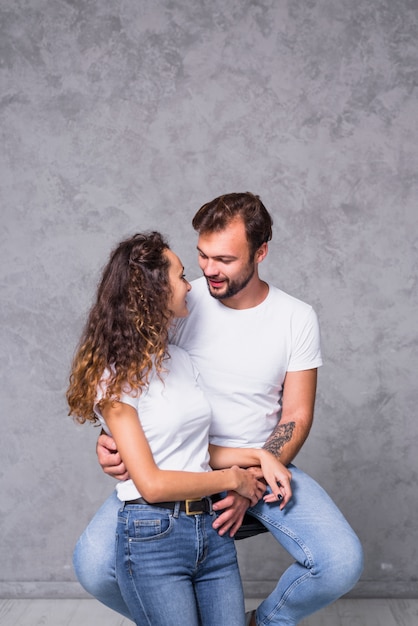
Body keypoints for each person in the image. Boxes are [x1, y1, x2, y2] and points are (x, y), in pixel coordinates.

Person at [74, 194, 364, 626]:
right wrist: (109, 439)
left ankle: (261, 623)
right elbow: (134, 382)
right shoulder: (178, 301)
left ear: (260, 252)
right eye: (202, 256)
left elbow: (296, 415)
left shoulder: (295, 318)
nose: (208, 270)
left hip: (257, 462)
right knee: (94, 567)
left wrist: (251, 478)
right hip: (175, 461)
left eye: (225, 258)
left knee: (340, 561)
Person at [67, 231, 293, 626]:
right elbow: (151, 483)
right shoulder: (112, 379)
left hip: (210, 533)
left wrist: (260, 456)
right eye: (182, 276)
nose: (192, 286)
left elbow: (197, 450)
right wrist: (233, 479)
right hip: (153, 533)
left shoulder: (182, 360)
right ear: (152, 292)